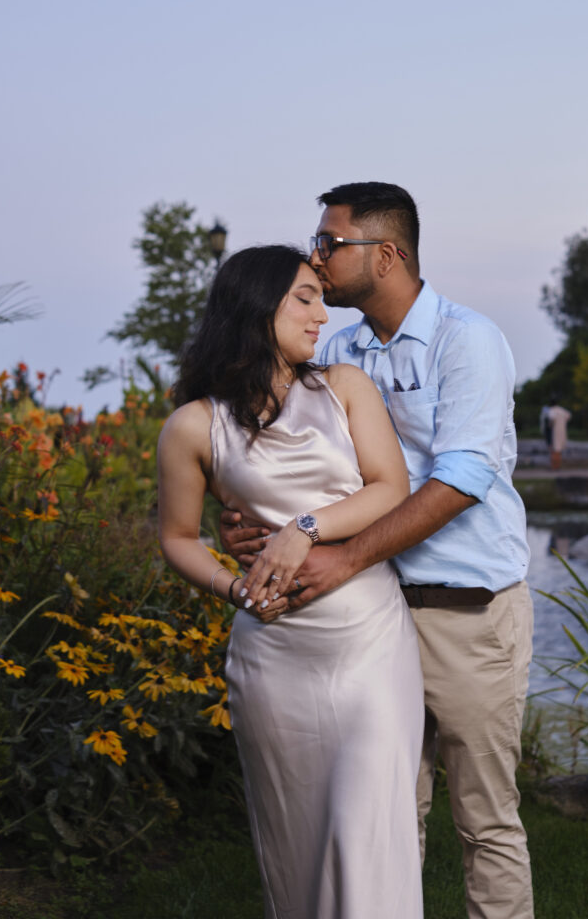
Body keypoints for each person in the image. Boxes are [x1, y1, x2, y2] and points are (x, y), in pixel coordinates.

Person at [225, 183, 534, 919]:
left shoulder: (469, 341)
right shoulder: (338, 351)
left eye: (331, 243)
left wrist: (344, 555)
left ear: (387, 254)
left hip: (468, 616)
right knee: (389, 818)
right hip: (373, 621)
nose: (316, 255)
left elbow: (458, 480)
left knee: (483, 819)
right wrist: (259, 525)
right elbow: (310, 469)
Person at [157, 245, 424, 919]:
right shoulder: (193, 425)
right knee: (296, 844)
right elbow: (178, 538)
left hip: (367, 642)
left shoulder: (345, 388)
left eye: (319, 297)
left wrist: (303, 526)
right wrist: (234, 591)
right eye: (302, 297)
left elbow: (390, 488)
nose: (319, 312)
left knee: (365, 833)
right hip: (273, 657)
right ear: (255, 305)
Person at [547, 397, 571, 469]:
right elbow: (568, 416)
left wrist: (550, 425)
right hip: (562, 431)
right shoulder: (562, 410)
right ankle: (557, 466)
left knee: (555, 449)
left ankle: (554, 466)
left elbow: (552, 419)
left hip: (555, 432)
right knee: (559, 450)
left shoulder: (552, 410)